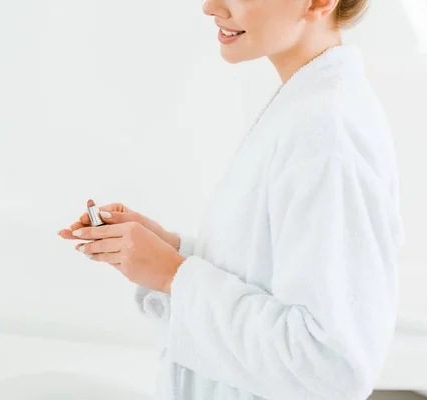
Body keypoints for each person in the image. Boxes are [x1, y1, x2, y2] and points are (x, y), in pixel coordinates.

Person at [58, 0, 405, 399]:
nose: (210, 6)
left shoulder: (328, 132)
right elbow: (270, 274)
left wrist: (173, 275)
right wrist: (171, 252)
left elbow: (330, 369)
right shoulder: (305, 106)